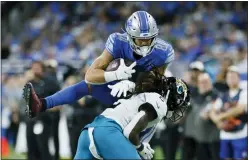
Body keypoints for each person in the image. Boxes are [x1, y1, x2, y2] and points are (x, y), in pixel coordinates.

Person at [23, 10, 175, 118]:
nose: (144, 44)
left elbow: (156, 85)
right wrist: (115, 74)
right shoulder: (117, 41)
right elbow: (90, 75)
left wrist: (134, 86)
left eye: (148, 39)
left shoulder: (164, 51)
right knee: (87, 85)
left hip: (141, 95)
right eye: (140, 40)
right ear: (129, 36)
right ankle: (42, 104)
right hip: (113, 89)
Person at [74, 71, 190, 159]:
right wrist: (140, 147)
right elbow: (130, 132)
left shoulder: (148, 96)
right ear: (171, 96)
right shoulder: (159, 103)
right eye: (179, 103)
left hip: (89, 131)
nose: (178, 107)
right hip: (109, 131)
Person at [210, 66, 248, 159]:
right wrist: (218, 122)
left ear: (239, 78)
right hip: (225, 134)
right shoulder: (223, 95)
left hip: (241, 134)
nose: (231, 79)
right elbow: (212, 111)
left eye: (233, 76)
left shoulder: (244, 93)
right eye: (229, 77)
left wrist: (220, 117)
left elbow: (239, 109)